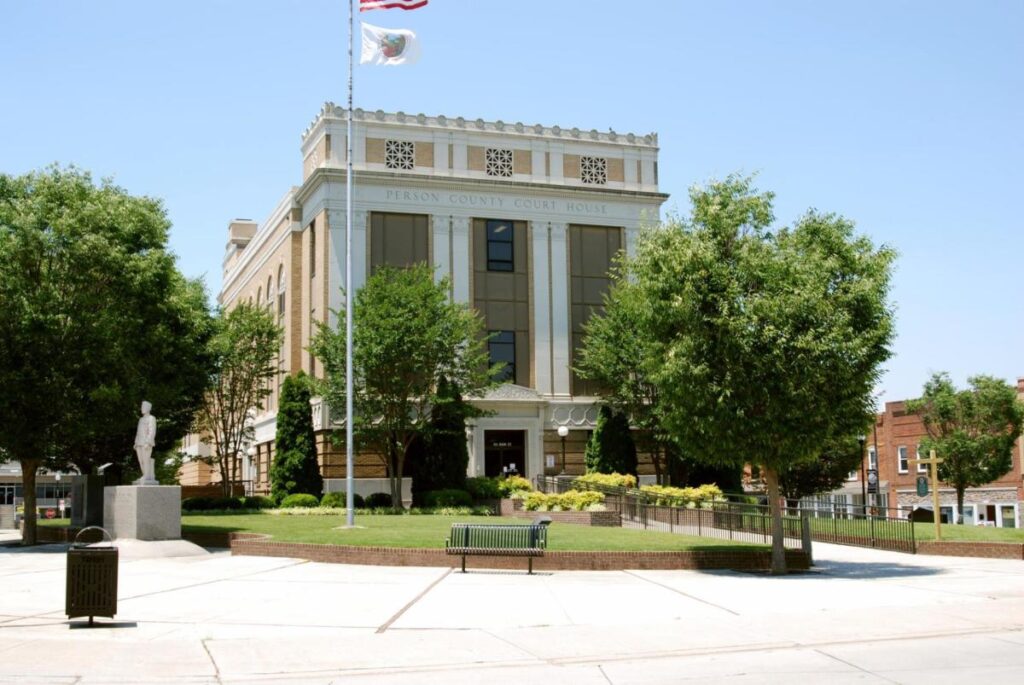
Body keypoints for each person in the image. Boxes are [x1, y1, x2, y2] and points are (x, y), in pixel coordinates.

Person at [133, 401, 158, 485]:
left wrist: (148, 442)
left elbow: (152, 431)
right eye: (141, 407)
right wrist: (136, 442)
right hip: (139, 443)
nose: (141, 409)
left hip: (146, 443)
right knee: (141, 461)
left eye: (143, 407)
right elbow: (138, 432)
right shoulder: (141, 419)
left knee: (146, 460)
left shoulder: (152, 418)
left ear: (148, 408)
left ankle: (146, 476)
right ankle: (145, 475)